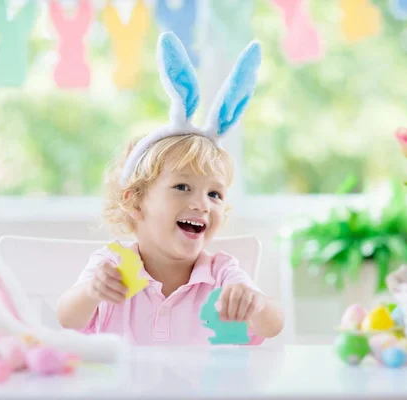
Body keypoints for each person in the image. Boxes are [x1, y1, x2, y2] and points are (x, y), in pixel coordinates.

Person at [56, 32, 284, 345]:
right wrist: (91, 291)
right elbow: (67, 319)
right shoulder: (113, 266)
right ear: (136, 203)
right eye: (182, 186)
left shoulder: (222, 272)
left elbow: (273, 325)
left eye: (214, 194)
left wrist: (254, 302)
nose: (202, 204)